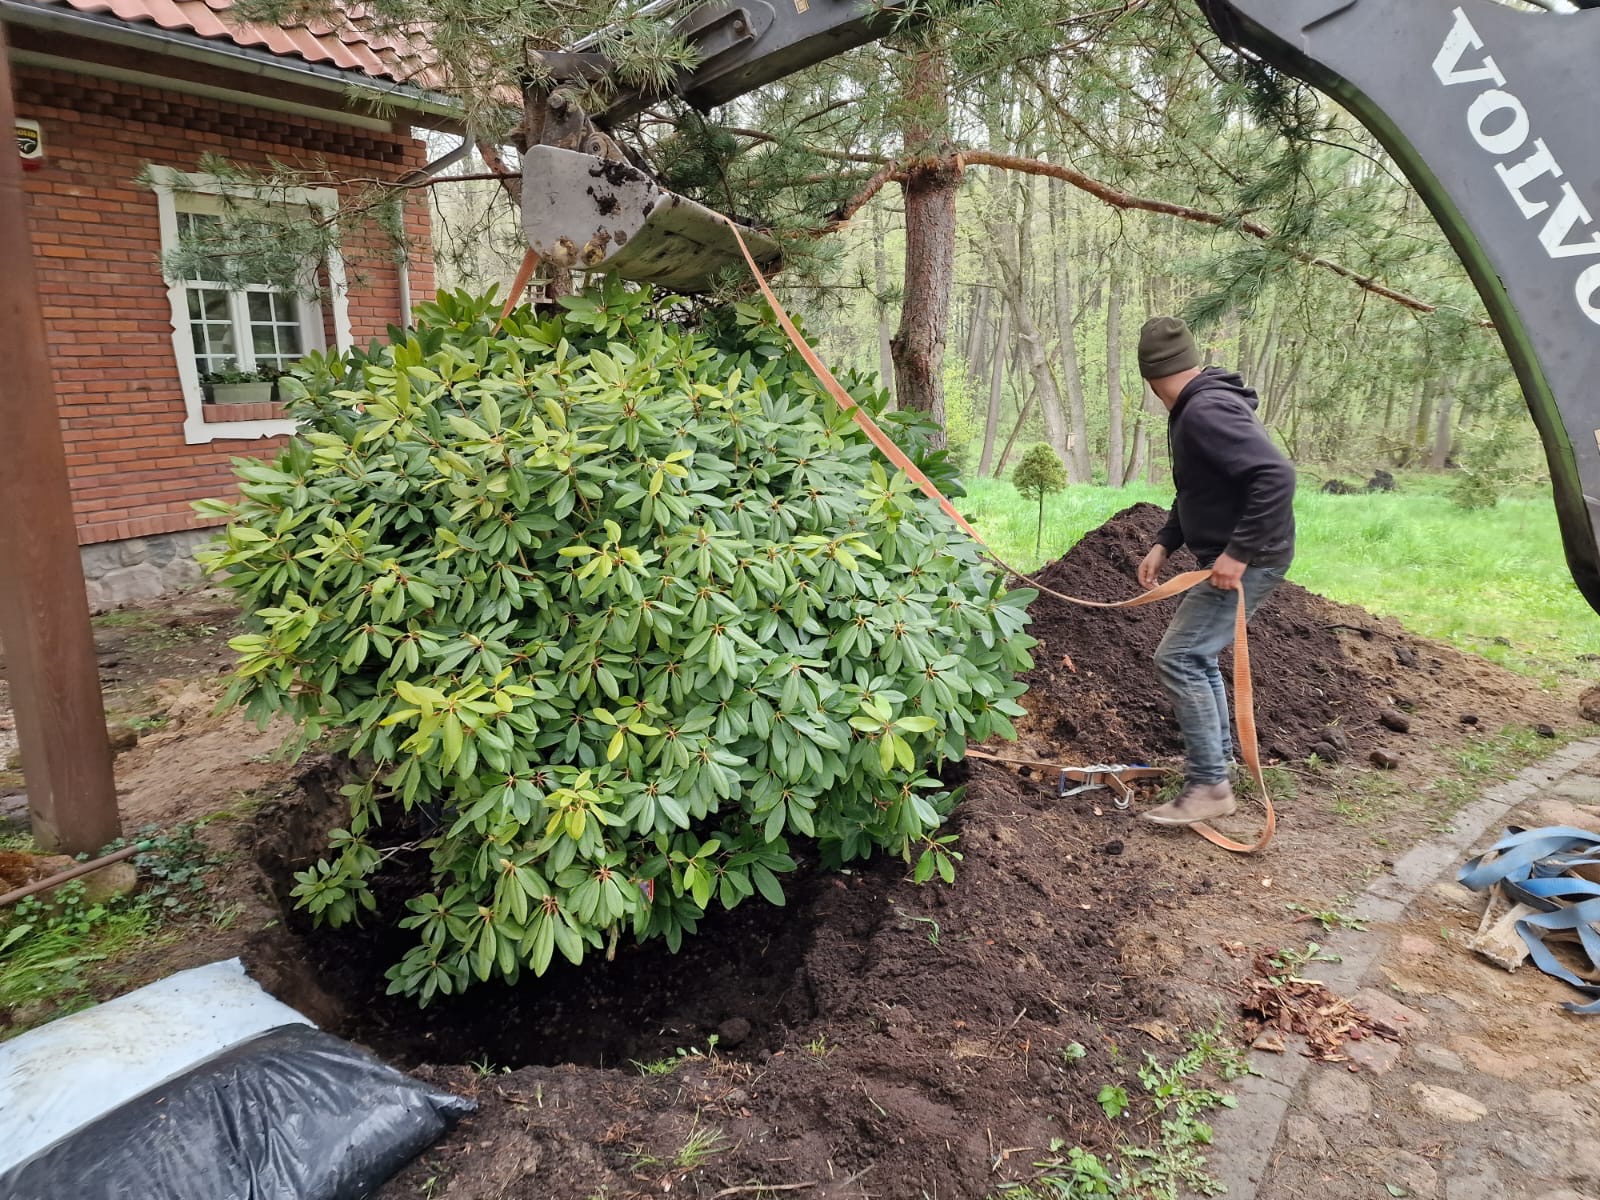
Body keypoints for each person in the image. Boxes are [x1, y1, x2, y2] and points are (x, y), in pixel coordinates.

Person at [1133, 316, 1296, 827]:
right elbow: (1200, 488)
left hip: (1250, 558)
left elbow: (1275, 475)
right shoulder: (1196, 406)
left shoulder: (1204, 410)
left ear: (1152, 378)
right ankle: (1217, 769)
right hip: (1235, 554)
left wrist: (1237, 553)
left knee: (1179, 657)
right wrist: (1166, 541)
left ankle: (1209, 784)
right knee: (1196, 657)